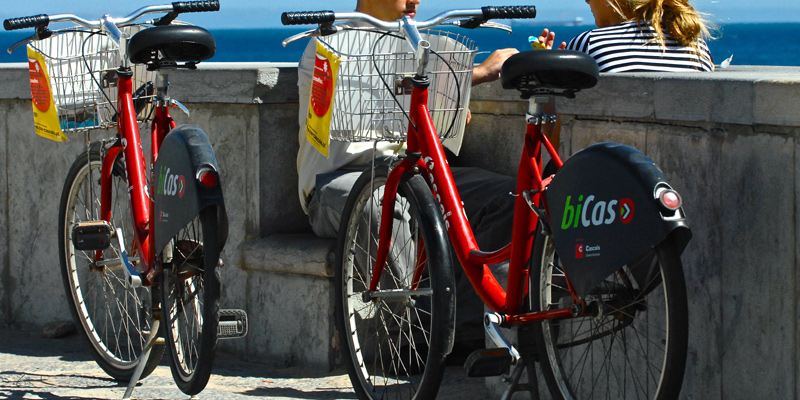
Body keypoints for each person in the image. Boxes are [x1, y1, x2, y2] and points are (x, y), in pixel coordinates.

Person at [296, 0, 558, 349]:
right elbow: (372, 102)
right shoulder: (330, 45)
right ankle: (407, 334)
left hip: (415, 174)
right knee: (376, 206)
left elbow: (431, 119)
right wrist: (475, 75)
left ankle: (468, 328)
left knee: (508, 198)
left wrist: (454, 98)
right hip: (342, 178)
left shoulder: (418, 45)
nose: (416, 1)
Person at [551, 0, 714, 72]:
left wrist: (545, 69)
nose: (586, 2)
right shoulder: (698, 49)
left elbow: (554, 138)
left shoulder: (590, 44)